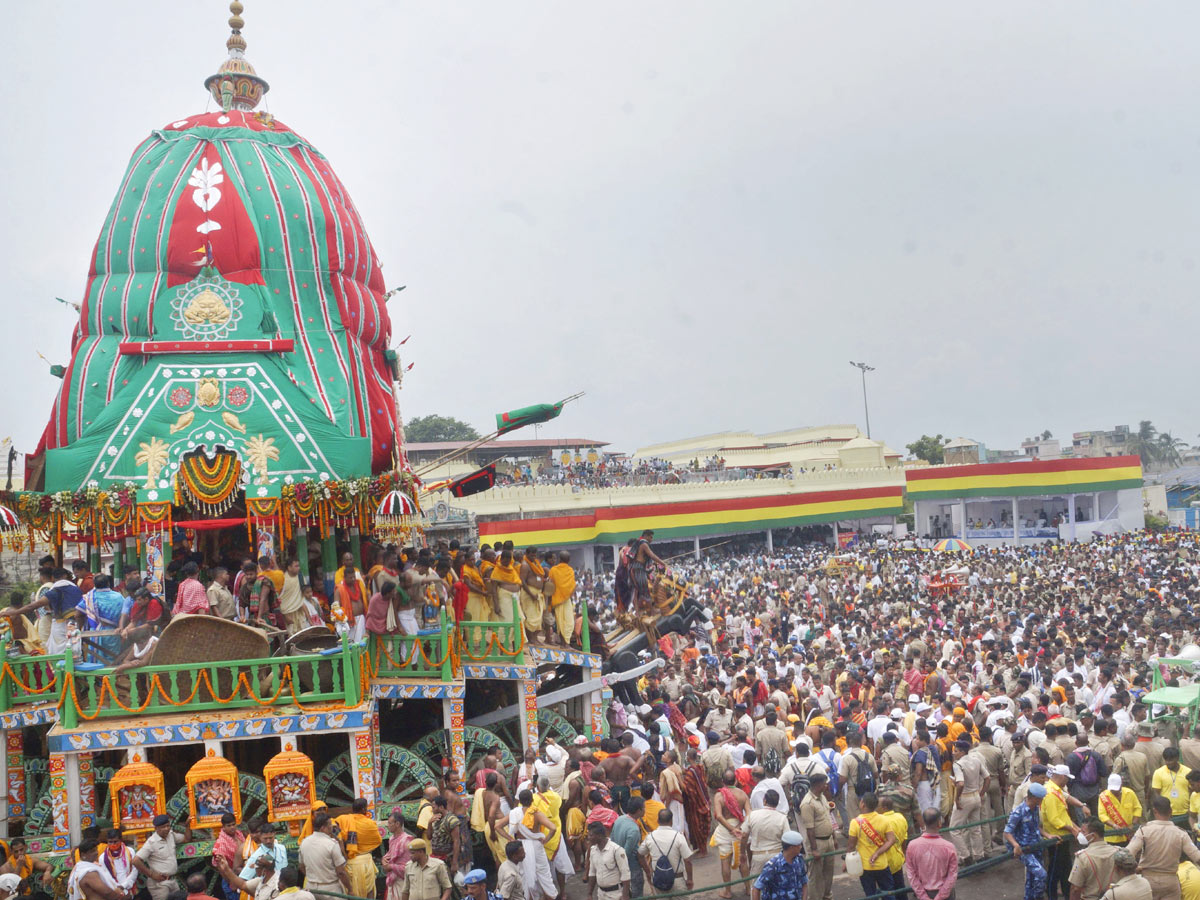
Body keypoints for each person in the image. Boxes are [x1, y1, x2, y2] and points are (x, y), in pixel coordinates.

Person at [1127, 796, 1200, 900]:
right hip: (1171, 882)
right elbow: (1197, 857)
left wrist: (1135, 868)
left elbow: (1127, 854)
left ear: (1154, 811)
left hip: (1148, 882)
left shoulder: (1144, 831)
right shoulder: (1181, 833)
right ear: (1170, 811)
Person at [847, 792, 898, 898]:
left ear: (862, 804)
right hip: (882, 865)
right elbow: (891, 840)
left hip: (866, 867)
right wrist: (877, 853)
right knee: (888, 894)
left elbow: (851, 846)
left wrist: (847, 861)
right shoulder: (883, 819)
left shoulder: (855, 823)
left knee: (870, 895)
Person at [1005, 783, 1050, 900]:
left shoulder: (1034, 809)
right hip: (1024, 849)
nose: (1042, 800)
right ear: (1034, 798)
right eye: (1041, 798)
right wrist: (1015, 845)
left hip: (1035, 846)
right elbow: (1007, 832)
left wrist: (1047, 835)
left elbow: (1036, 827)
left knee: (1032, 878)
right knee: (1041, 875)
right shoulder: (1018, 812)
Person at [798, 772, 837, 900]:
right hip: (817, 843)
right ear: (818, 785)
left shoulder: (822, 797)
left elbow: (828, 818)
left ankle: (827, 896)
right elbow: (810, 829)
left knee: (828, 872)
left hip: (828, 840)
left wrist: (834, 838)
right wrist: (814, 849)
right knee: (816, 875)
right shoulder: (807, 803)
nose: (826, 786)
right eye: (824, 784)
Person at [636, 809, 693, 895]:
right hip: (677, 880)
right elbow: (687, 860)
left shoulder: (650, 837)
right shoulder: (678, 836)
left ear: (658, 821)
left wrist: (648, 871)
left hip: (659, 881)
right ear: (671, 821)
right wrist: (689, 879)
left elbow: (640, 854)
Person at [905, 809, 958, 900]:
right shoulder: (949, 847)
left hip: (923, 892)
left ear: (924, 822)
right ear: (939, 823)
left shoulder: (912, 846)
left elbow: (911, 874)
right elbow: (952, 875)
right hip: (945, 894)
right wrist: (940, 896)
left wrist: (923, 896)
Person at [133, 815, 189, 900]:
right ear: (156, 829)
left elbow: (186, 839)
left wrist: (187, 826)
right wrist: (151, 874)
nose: (167, 828)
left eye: (168, 825)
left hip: (173, 880)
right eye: (163, 827)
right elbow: (136, 861)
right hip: (159, 884)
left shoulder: (171, 835)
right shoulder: (151, 842)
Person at [298, 812, 350, 897]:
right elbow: (341, 872)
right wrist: (350, 889)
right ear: (323, 828)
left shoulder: (304, 842)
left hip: (311, 889)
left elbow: (301, 866)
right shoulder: (332, 844)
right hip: (330, 890)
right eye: (330, 825)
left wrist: (313, 878)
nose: (331, 827)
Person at [1068, 817, 1118, 900]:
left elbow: (1075, 889)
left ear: (1093, 836)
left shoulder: (1082, 857)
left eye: (1083, 832)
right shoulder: (1118, 852)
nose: (1080, 834)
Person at [750, 830, 807, 900]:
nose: (801, 847)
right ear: (791, 848)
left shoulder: (799, 859)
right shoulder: (773, 865)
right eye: (799, 845)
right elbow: (756, 888)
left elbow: (804, 882)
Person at [742, 789, 788, 876]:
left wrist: (742, 853)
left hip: (758, 856)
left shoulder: (752, 815)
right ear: (777, 803)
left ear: (764, 801)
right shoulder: (782, 818)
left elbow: (744, 835)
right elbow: (787, 838)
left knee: (756, 885)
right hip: (777, 855)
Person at [587, 821, 631, 900]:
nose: (588, 837)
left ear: (599, 836)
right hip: (601, 894)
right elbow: (592, 872)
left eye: (591, 835)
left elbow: (626, 875)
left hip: (616, 895)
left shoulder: (616, 850)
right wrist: (589, 894)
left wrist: (625, 895)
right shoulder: (593, 850)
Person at [1098, 774, 1142, 846]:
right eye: (1112, 789)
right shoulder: (1103, 797)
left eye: (1116, 789)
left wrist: (1133, 824)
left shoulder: (1130, 793)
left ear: (1121, 785)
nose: (1114, 791)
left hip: (1129, 834)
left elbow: (1138, 808)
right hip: (1112, 837)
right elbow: (1102, 815)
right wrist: (1113, 825)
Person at [213, 854, 278, 900]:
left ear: (265, 870)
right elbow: (242, 884)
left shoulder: (277, 885)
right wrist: (226, 869)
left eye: (257, 868)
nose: (255, 870)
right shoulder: (260, 881)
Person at [383, 808, 413, 900]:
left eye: (389, 823)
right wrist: (384, 860)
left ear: (397, 824)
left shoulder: (406, 840)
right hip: (393, 881)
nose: (388, 826)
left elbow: (409, 867)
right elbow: (388, 856)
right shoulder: (391, 839)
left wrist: (391, 867)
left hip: (402, 882)